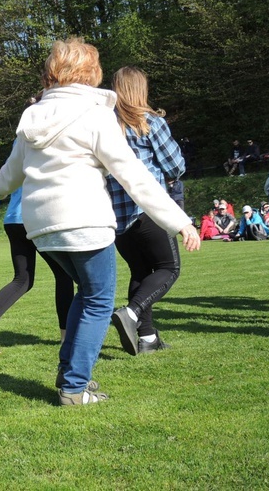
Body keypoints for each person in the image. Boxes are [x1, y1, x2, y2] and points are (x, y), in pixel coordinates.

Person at [0, 38, 200, 405]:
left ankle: (70, 373)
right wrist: (180, 220)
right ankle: (73, 388)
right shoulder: (96, 114)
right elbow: (134, 176)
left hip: (40, 226)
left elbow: (7, 178)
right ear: (91, 72)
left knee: (86, 295)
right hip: (83, 219)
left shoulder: (32, 117)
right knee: (99, 300)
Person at [107, 66, 187, 355]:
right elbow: (175, 166)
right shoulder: (150, 121)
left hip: (116, 216)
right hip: (148, 208)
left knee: (140, 271)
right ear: (141, 89)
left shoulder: (104, 124)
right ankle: (131, 312)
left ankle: (148, 339)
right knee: (169, 268)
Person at [0, 185, 74, 355]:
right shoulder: (42, 156)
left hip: (13, 220)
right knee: (64, 275)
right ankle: (66, 337)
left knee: (22, 280)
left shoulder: (15, 157)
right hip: (38, 218)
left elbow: (0, 189)